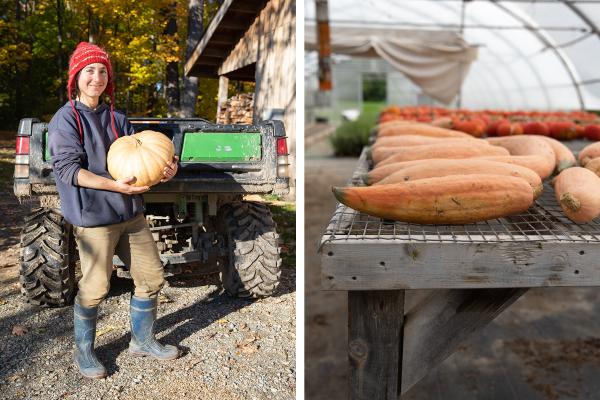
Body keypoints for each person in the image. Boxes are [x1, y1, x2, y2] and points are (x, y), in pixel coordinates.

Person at [48, 42, 180, 379]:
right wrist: (114, 185)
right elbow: (67, 170)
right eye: (89, 71)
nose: (96, 77)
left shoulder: (118, 118)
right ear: (76, 77)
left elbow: (145, 157)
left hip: (130, 215)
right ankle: (85, 352)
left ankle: (143, 340)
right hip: (94, 218)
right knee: (95, 288)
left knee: (151, 278)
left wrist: (168, 168)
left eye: (102, 71)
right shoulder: (65, 120)